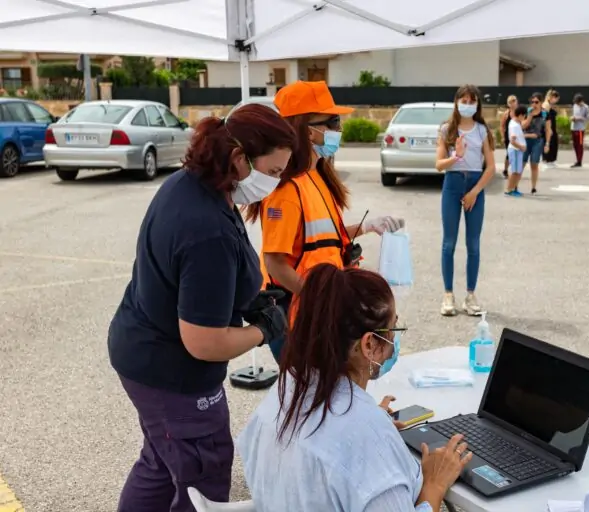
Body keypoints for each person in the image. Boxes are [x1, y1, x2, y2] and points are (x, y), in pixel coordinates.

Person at [108, 104, 295, 512]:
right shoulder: (205, 228)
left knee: (160, 462)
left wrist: (248, 300)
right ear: (239, 158)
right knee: (201, 475)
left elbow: (198, 278)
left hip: (140, 347)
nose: (275, 183)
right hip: (172, 371)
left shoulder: (195, 183)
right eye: (275, 171)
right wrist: (264, 329)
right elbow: (204, 343)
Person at [237, 263, 473, 511]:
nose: (395, 340)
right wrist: (434, 485)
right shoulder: (367, 436)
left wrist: (364, 424)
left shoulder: (286, 388)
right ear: (369, 344)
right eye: (393, 328)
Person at [244, 80, 404, 362]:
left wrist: (366, 227)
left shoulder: (317, 176)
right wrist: (320, 298)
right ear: (307, 130)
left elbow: (321, 237)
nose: (338, 130)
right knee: (308, 396)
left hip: (317, 311)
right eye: (331, 122)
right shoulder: (287, 190)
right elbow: (275, 263)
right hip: (297, 316)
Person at [435, 84, 496, 317]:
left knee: (473, 244)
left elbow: (491, 167)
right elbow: (438, 165)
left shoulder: (482, 130)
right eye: (464, 100)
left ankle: (470, 295)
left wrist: (475, 192)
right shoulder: (446, 130)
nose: (467, 105)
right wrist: (455, 157)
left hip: (475, 186)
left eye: (472, 101)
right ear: (456, 102)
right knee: (449, 242)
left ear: (477, 104)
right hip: (452, 184)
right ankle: (448, 294)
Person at [521, 92, 552, 195]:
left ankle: (533, 187)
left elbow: (548, 130)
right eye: (532, 102)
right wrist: (529, 116)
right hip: (525, 140)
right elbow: (523, 126)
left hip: (538, 141)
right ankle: (515, 184)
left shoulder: (545, 114)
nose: (534, 104)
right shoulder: (527, 112)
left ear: (541, 102)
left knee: (534, 164)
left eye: (536, 102)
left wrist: (547, 144)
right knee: (522, 163)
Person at [504, 105, 528, 197]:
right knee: (514, 171)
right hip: (515, 150)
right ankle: (509, 190)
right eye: (524, 115)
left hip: (518, 150)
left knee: (518, 171)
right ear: (521, 115)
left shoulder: (516, 123)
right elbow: (512, 141)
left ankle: (513, 189)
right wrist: (521, 147)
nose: (525, 117)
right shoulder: (514, 125)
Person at [570, 93, 589, 168]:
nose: (577, 103)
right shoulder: (574, 106)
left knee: (580, 145)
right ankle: (577, 159)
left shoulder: (586, 107)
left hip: (580, 129)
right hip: (573, 127)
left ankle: (579, 161)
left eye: (578, 102)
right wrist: (572, 118)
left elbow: (588, 118)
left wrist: (580, 118)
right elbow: (572, 114)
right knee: (575, 145)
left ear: (581, 101)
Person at [499, 95, 518, 178]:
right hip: (508, 137)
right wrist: (503, 136)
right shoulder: (506, 114)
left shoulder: (520, 112)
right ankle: (505, 170)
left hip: (517, 136)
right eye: (510, 102)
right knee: (509, 154)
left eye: (514, 101)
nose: (512, 103)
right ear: (508, 104)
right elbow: (502, 126)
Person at [542, 89, 561, 168]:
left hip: (552, 125)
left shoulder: (550, 105)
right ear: (552, 97)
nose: (556, 101)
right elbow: (545, 117)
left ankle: (551, 160)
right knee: (550, 142)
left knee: (554, 142)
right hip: (549, 126)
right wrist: (548, 128)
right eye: (556, 98)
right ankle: (547, 160)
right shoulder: (546, 105)